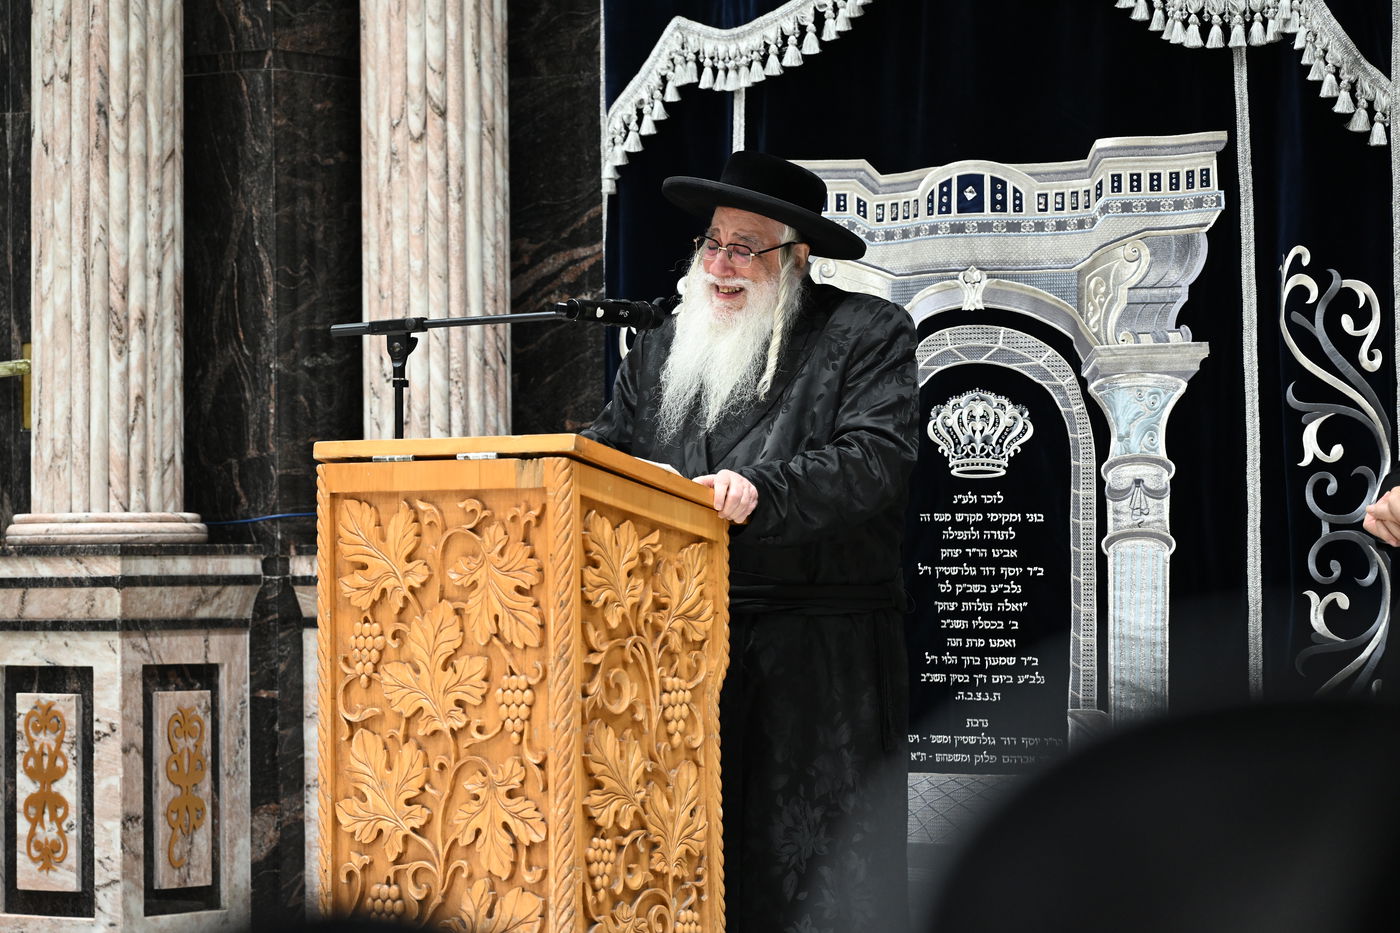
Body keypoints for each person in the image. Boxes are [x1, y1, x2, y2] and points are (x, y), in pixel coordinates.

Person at [583, 151, 917, 933]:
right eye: (713, 242)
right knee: (690, 871)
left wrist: (762, 489)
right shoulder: (663, 348)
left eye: (744, 247)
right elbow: (605, 454)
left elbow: (876, 459)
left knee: (810, 885)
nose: (721, 264)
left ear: (796, 258)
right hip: (672, 654)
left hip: (817, 657)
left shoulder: (865, 333)